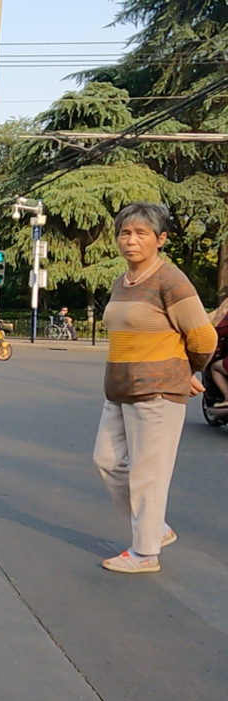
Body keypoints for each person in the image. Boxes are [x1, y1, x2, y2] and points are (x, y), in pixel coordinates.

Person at [93, 202, 217, 574]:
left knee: (149, 473)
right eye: (125, 233)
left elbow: (203, 337)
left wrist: (188, 372)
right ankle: (156, 529)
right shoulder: (122, 281)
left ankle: (145, 553)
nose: (131, 240)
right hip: (119, 389)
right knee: (107, 462)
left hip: (158, 392)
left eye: (141, 233)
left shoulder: (171, 281)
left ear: (160, 239)